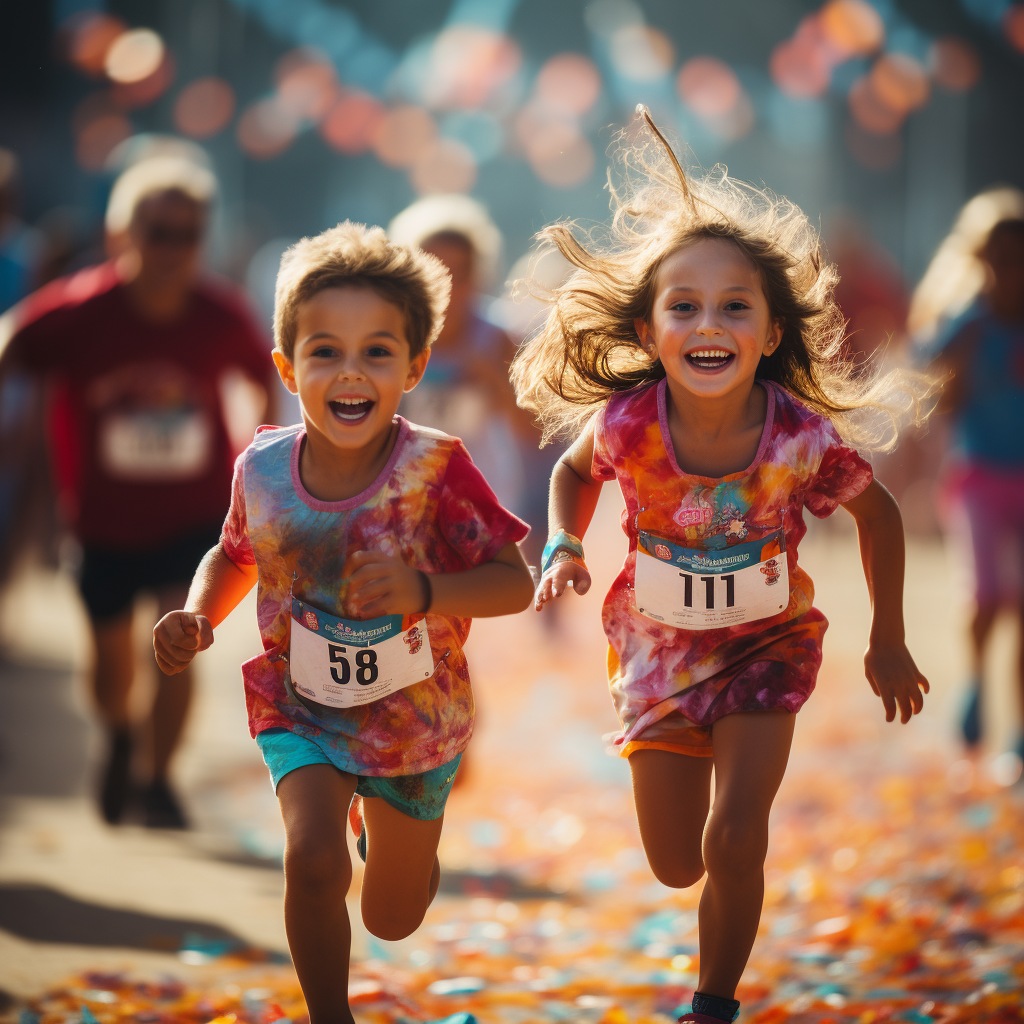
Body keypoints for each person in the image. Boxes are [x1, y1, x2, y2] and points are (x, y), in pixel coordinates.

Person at [512, 109, 931, 1024]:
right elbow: (573, 470)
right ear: (651, 327)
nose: (711, 324)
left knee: (735, 837)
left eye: (736, 306)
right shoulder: (628, 424)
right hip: (658, 660)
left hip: (766, 654)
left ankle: (712, 1006)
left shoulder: (799, 435)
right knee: (676, 859)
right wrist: (564, 542)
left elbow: (881, 513)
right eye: (685, 306)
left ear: (772, 327)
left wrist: (887, 637)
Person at [152, 222, 533, 1024]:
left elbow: (512, 583)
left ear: (415, 366)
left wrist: (422, 592)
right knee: (314, 860)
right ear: (287, 367)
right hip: (302, 708)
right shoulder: (260, 467)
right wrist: (196, 614)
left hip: (414, 722)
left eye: (377, 353)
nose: (350, 372)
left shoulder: (436, 468)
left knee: (393, 913)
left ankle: (400, 843)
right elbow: (233, 555)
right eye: (325, 351)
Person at [0, 155, 277, 828]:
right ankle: (121, 736)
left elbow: (262, 373)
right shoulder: (79, 309)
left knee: (180, 644)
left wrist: (262, 455)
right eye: (157, 232)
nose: (171, 251)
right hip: (100, 518)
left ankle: (158, 778)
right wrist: (19, 425)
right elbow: (14, 348)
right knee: (109, 659)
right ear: (123, 235)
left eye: (187, 235)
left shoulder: (218, 313)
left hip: (192, 517)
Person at [914, 190, 1024, 754]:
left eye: (1018, 258)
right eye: (998, 258)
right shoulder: (970, 325)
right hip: (980, 476)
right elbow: (928, 373)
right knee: (986, 597)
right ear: (981, 261)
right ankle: (979, 683)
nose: (1009, 271)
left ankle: (1021, 733)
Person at [388, 194, 528, 517]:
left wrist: (494, 382)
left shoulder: (495, 337)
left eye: (459, 274)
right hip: (407, 491)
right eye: (433, 272)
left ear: (478, 276)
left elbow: (530, 430)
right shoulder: (392, 334)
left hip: (485, 492)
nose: (447, 288)